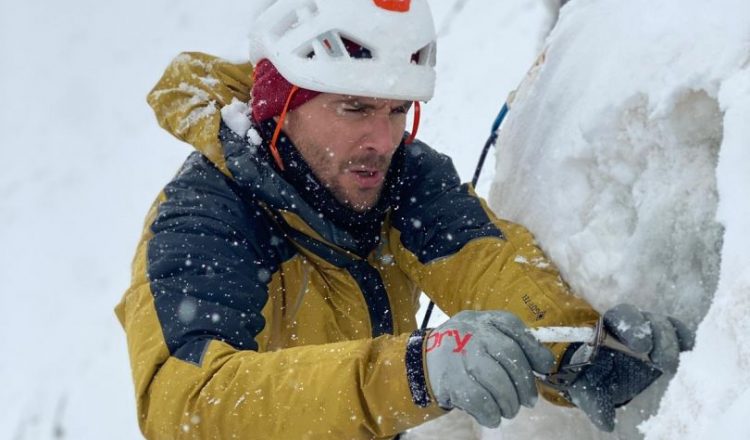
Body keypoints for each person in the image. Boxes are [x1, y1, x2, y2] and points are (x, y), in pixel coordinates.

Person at [116, 0, 694, 438]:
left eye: (397, 111)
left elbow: (481, 260)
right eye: (354, 108)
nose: (382, 139)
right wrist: (412, 374)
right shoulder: (205, 220)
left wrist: (577, 349)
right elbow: (187, 401)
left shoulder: (399, 177)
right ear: (280, 108)